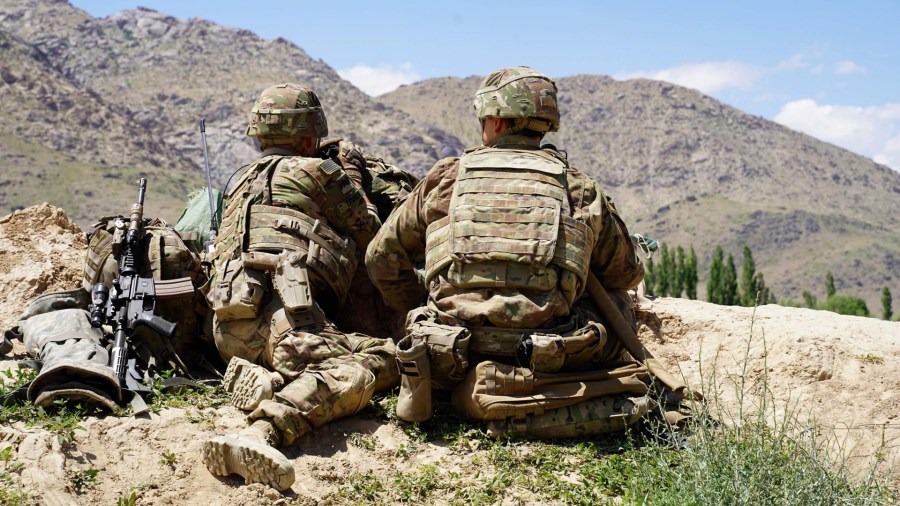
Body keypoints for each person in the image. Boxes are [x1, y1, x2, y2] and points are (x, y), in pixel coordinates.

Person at [366, 66, 651, 437]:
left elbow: (381, 259)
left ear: (497, 123)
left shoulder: (446, 178)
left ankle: (470, 386)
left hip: (449, 350)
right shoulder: (577, 186)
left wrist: (422, 301)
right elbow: (624, 275)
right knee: (619, 304)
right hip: (550, 352)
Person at [201, 83, 398, 491]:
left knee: (315, 350)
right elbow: (373, 235)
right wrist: (353, 176)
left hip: (227, 333)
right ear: (311, 136)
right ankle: (264, 431)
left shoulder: (237, 184)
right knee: (384, 357)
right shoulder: (318, 171)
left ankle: (270, 379)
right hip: (289, 329)